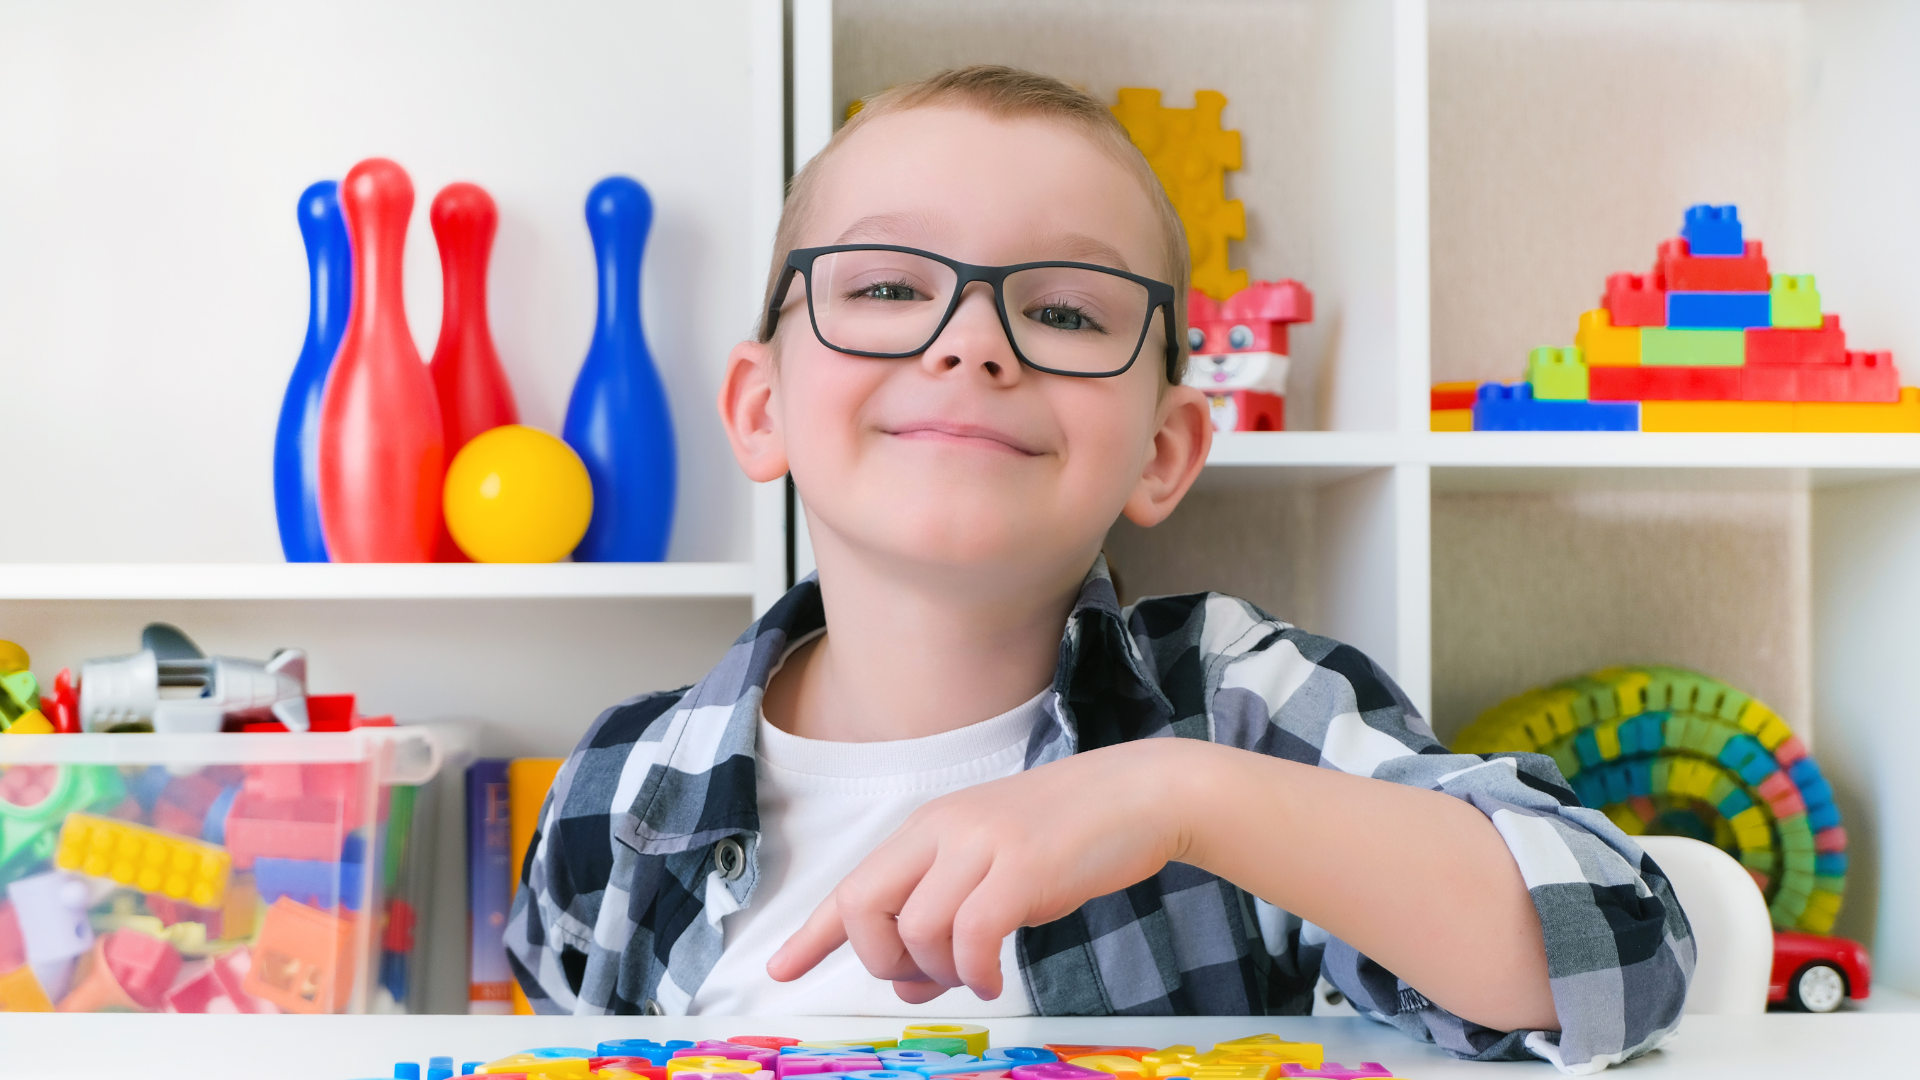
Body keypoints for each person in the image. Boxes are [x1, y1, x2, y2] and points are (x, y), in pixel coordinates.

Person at [506, 65, 1691, 1072]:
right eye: (884, 288)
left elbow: (1625, 943)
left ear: (1164, 450)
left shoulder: (1244, 709)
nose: (971, 341)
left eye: (1066, 314)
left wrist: (1173, 798)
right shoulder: (617, 784)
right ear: (761, 410)